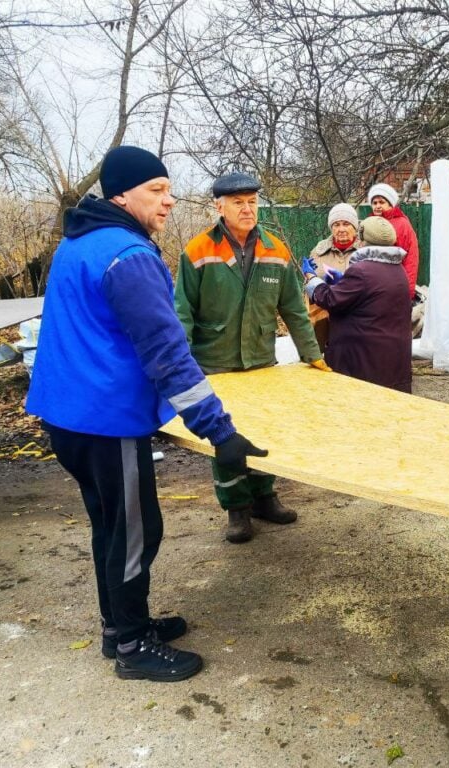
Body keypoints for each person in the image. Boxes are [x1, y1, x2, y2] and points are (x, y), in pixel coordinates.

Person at [26, 146, 267, 683]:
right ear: (121, 196)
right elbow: (167, 353)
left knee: (111, 526)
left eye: (168, 188)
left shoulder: (79, 242)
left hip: (67, 416)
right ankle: (134, 647)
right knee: (137, 531)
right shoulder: (129, 256)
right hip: (106, 420)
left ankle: (120, 627)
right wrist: (219, 432)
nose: (169, 199)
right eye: (156, 190)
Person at [174, 171, 328, 545]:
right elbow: (182, 313)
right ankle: (237, 508)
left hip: (261, 360)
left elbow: (294, 309)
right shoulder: (198, 251)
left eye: (252, 202)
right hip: (216, 363)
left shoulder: (275, 250)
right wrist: (181, 365)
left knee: (266, 430)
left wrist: (313, 356)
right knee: (225, 437)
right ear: (219, 206)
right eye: (238, 202)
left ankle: (264, 497)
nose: (247, 209)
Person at [301, 216, 412, 392]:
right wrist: (344, 281)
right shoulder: (398, 270)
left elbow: (330, 299)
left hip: (362, 360)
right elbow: (367, 298)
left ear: (362, 239)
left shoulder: (362, 270)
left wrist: (311, 278)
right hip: (391, 360)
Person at [306, 202, 361, 351]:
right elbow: (310, 292)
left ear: (355, 227)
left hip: (356, 316)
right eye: (336, 225)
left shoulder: (365, 251)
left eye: (346, 224)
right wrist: (310, 277)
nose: (341, 229)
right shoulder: (319, 252)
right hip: (326, 317)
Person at [367, 182, 419, 298]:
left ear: (391, 204)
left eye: (382, 202)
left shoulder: (402, 225)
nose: (378, 206)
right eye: (374, 203)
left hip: (394, 284)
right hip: (372, 285)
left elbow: (411, 259)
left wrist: (407, 291)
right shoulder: (369, 224)